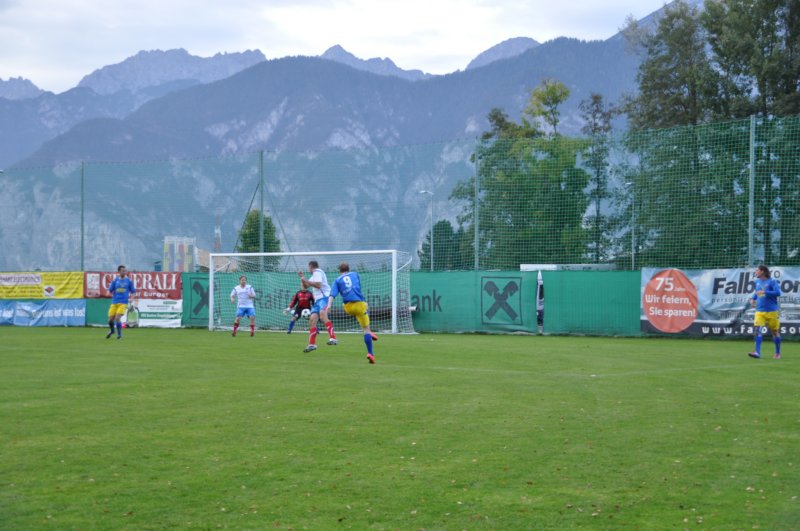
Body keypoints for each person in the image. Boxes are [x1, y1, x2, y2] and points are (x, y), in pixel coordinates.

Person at [327, 262, 379, 364]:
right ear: (349, 269)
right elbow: (357, 288)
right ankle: (370, 353)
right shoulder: (355, 274)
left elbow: (332, 295)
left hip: (348, 307)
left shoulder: (337, 280)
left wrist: (329, 306)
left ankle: (369, 332)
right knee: (366, 325)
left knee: (360, 310)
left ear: (340, 271)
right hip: (358, 305)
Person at [298, 260, 337, 352]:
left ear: (311, 267)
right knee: (312, 320)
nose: (308, 269)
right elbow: (304, 287)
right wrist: (302, 278)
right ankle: (312, 344)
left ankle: (333, 338)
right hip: (317, 300)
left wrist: (306, 280)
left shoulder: (317, 272)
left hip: (325, 297)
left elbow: (318, 285)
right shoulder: (313, 276)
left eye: (308, 267)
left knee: (323, 315)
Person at [748, 265, 782, 359]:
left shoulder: (772, 281)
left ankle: (777, 353)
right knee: (757, 330)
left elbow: (778, 293)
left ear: (762, 271)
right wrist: (752, 299)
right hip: (759, 311)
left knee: (775, 332)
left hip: (772, 311)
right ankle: (757, 353)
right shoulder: (757, 281)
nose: (756, 272)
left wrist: (765, 292)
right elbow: (757, 292)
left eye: (757, 270)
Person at [106, 265, 136, 339]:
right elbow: (110, 290)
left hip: (123, 303)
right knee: (110, 320)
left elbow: (133, 291)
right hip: (114, 302)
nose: (124, 272)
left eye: (125, 271)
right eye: (123, 271)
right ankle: (112, 331)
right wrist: (108, 293)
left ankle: (119, 335)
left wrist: (132, 298)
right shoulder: (115, 280)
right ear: (119, 271)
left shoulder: (128, 281)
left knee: (117, 318)